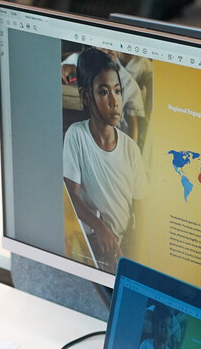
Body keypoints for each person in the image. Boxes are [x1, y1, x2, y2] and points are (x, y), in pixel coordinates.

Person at [63, 47, 148, 271]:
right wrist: (100, 228)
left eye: (117, 91)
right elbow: (71, 195)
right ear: (85, 96)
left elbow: (141, 213)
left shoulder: (131, 150)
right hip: (91, 241)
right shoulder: (77, 135)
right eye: (103, 92)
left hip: (121, 250)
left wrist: (134, 264)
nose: (114, 101)